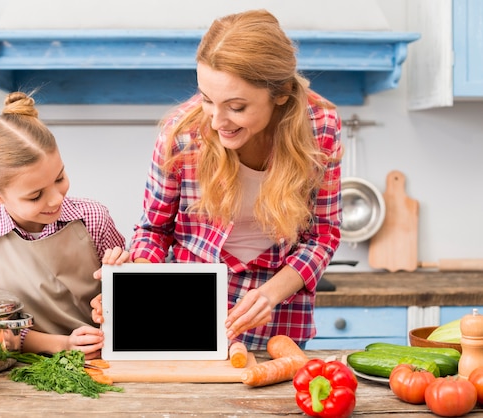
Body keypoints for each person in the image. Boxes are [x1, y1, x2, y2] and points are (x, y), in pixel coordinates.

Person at [94, 9, 342, 351]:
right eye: (207, 99)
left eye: (237, 107)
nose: (216, 121)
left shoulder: (321, 127)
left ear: (280, 93)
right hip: (185, 308)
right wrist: (137, 287)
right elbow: (153, 231)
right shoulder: (182, 135)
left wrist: (268, 295)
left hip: (277, 313)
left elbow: (322, 235)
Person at [0, 91, 129, 359]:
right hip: (22, 367)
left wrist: (124, 274)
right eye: (35, 195)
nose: (56, 198)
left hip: (105, 358)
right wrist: (63, 345)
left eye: (60, 178)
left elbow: (128, 300)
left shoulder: (94, 217)